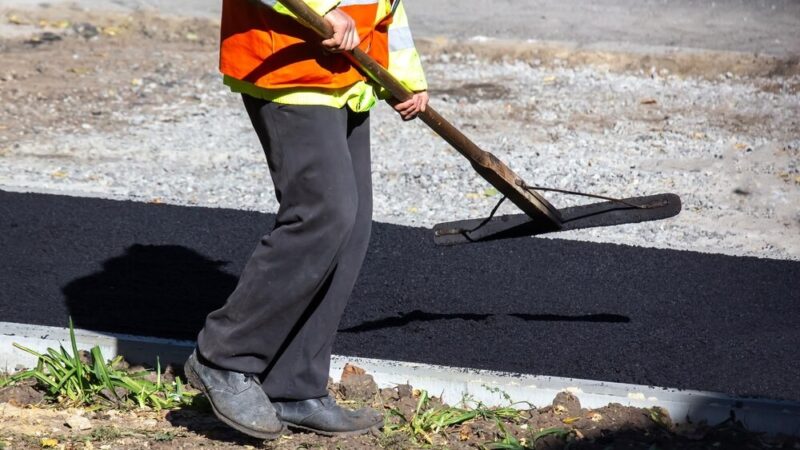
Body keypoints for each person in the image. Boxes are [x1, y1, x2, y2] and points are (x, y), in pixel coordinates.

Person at [183, 0, 429, 440]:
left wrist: (405, 72)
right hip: (289, 66)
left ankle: (295, 386)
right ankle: (224, 357)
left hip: (350, 70)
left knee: (350, 228)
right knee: (323, 213)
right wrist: (324, 7)